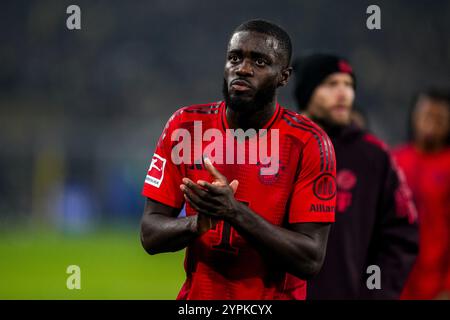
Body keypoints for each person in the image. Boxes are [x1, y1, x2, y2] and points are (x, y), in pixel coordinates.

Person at [139, 20, 337, 300]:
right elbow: (150, 234)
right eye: (235, 57)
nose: (243, 68)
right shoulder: (185, 127)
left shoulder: (309, 143)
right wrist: (197, 223)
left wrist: (234, 212)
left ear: (284, 76)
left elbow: (310, 259)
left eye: (259, 61)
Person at [291, 53, 419, 299]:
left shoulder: (373, 155)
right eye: (331, 84)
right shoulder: (279, 147)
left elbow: (402, 234)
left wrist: (376, 293)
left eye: (348, 85)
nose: (343, 94)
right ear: (307, 93)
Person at [394, 88, 450, 300]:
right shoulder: (395, 160)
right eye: (426, 115)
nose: (431, 122)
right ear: (414, 116)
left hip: (436, 283)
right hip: (399, 280)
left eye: (440, 118)